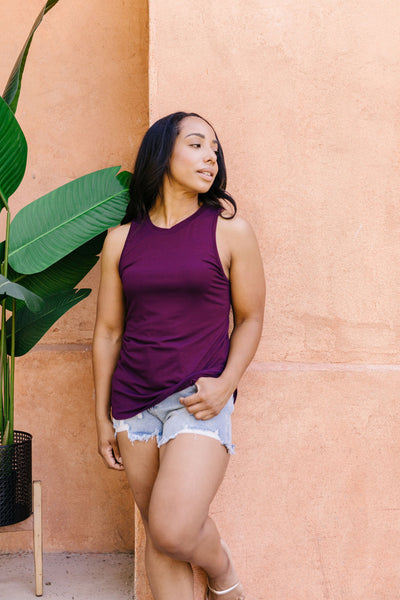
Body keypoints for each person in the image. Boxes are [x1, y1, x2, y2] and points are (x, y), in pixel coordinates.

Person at [92, 111, 265, 600]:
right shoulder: (121, 241)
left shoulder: (230, 231)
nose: (211, 157)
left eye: (215, 149)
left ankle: (222, 572)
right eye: (196, 144)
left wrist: (226, 384)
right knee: (159, 535)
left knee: (174, 528)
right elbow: (108, 333)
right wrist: (102, 418)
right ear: (162, 152)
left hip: (197, 399)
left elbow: (250, 318)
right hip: (133, 406)